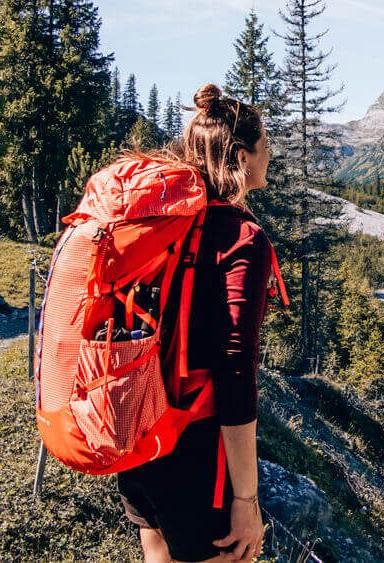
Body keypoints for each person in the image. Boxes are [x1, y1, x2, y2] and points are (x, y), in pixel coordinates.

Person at [116, 83, 277, 563]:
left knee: (156, 552)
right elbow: (234, 369)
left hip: (139, 433)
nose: (270, 156)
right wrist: (245, 501)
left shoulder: (159, 224)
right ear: (242, 158)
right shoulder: (244, 239)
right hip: (196, 452)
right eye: (265, 146)